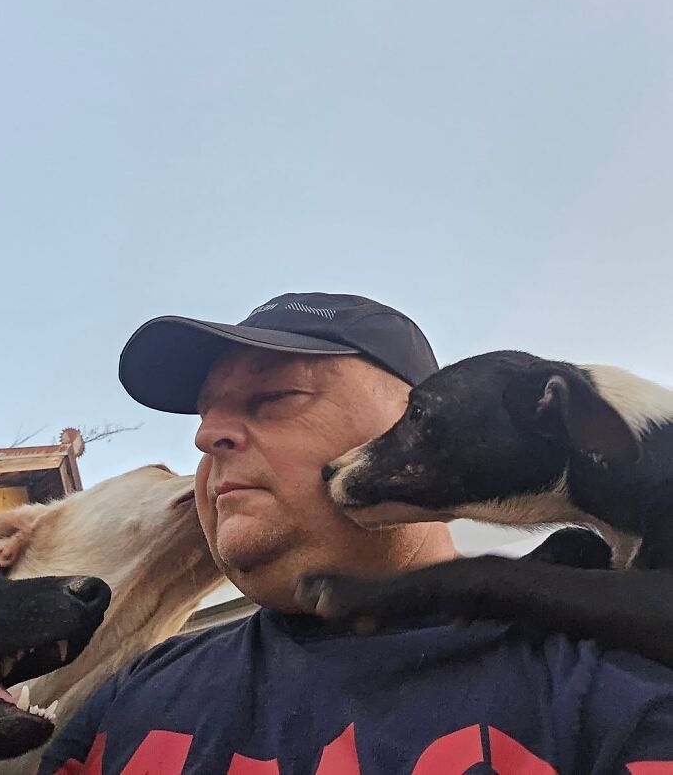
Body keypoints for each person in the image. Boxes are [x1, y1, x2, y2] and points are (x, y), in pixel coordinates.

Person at [40, 292, 673, 774]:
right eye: (206, 417)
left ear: (428, 418)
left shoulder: (616, 677)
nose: (207, 437)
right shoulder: (132, 691)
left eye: (274, 398)